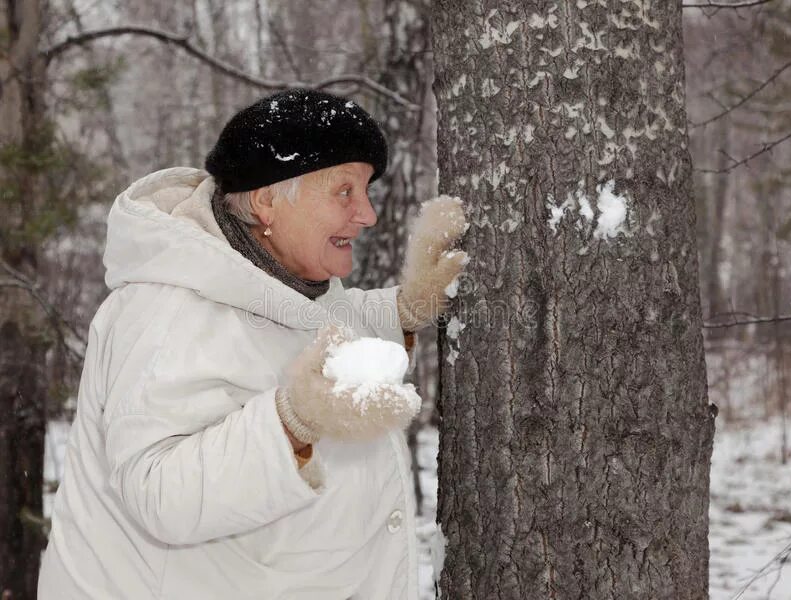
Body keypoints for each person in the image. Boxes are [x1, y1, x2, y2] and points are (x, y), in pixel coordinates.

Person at [38, 88, 468, 599]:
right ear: (268, 199)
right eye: (344, 192)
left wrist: (404, 310)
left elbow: (295, 335)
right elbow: (160, 493)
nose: (368, 214)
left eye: (367, 191)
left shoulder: (269, 282)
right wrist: (292, 422)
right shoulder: (168, 309)